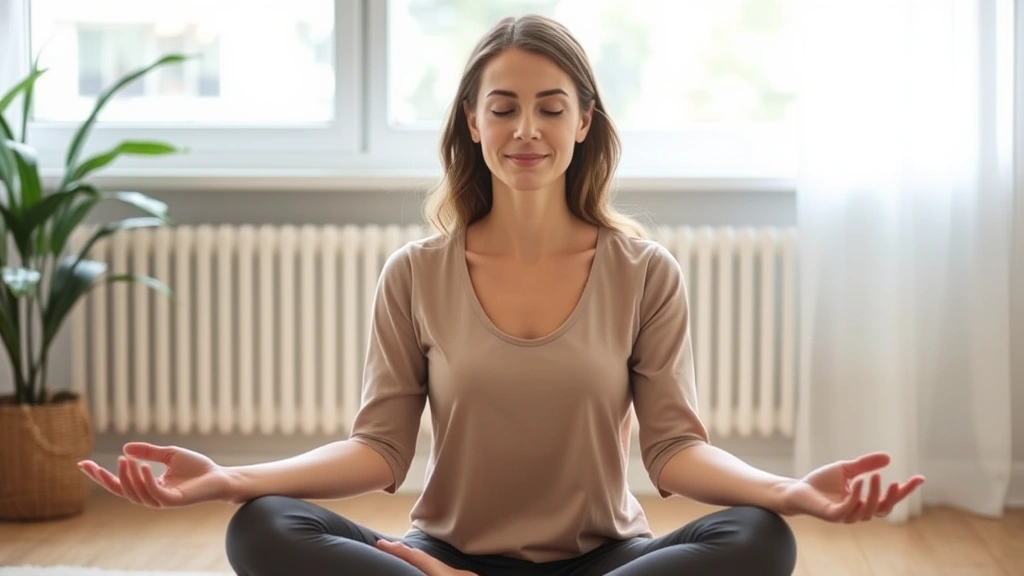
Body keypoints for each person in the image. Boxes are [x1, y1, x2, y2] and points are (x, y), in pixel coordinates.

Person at [78, 14, 925, 576]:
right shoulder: (415, 272)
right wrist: (231, 476)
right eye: (505, 108)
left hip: (602, 559)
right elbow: (379, 450)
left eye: (551, 109)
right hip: (444, 557)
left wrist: (787, 491)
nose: (527, 130)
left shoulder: (643, 270)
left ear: (584, 123)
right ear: (473, 125)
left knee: (758, 540)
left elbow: (673, 453)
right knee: (260, 528)